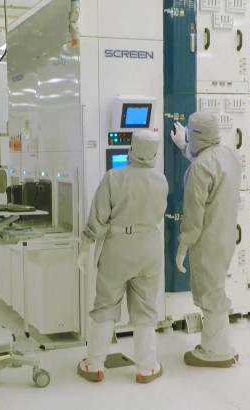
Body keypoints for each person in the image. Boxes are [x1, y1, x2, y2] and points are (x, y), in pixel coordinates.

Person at [77, 130, 168, 383]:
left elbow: (97, 218)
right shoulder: (161, 180)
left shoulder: (113, 178)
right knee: (146, 309)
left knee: (106, 305)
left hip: (117, 248)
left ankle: (94, 365)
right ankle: (147, 368)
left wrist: (85, 247)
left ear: (132, 149)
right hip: (150, 248)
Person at [170, 111, 242, 368]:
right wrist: (184, 146)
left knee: (209, 294)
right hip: (226, 237)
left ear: (196, 134)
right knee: (216, 289)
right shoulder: (230, 155)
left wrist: (183, 246)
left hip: (207, 240)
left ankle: (215, 352)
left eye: (189, 133)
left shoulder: (198, 169)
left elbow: (193, 215)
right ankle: (224, 344)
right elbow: (209, 162)